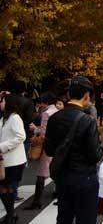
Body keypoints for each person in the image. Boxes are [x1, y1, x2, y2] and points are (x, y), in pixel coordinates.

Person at [45, 76, 102, 224]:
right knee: (86, 219)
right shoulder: (88, 120)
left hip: (62, 178)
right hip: (84, 178)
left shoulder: (54, 118)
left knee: (64, 217)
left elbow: (50, 150)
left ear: (69, 95)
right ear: (86, 96)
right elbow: (95, 155)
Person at [25, 94, 60, 210]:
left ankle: (37, 201)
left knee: (41, 173)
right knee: (56, 170)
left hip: (48, 146)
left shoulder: (46, 113)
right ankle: (60, 194)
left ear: (45, 103)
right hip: (57, 145)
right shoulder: (58, 111)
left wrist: (35, 128)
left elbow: (44, 133)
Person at [0, 94, 27, 223]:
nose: (1, 103)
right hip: (5, 160)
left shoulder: (15, 118)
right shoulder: (4, 119)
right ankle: (11, 214)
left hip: (14, 160)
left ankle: (10, 215)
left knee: (8, 187)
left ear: (9, 103)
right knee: (3, 188)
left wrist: (2, 147)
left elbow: (21, 136)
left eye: (3, 101)